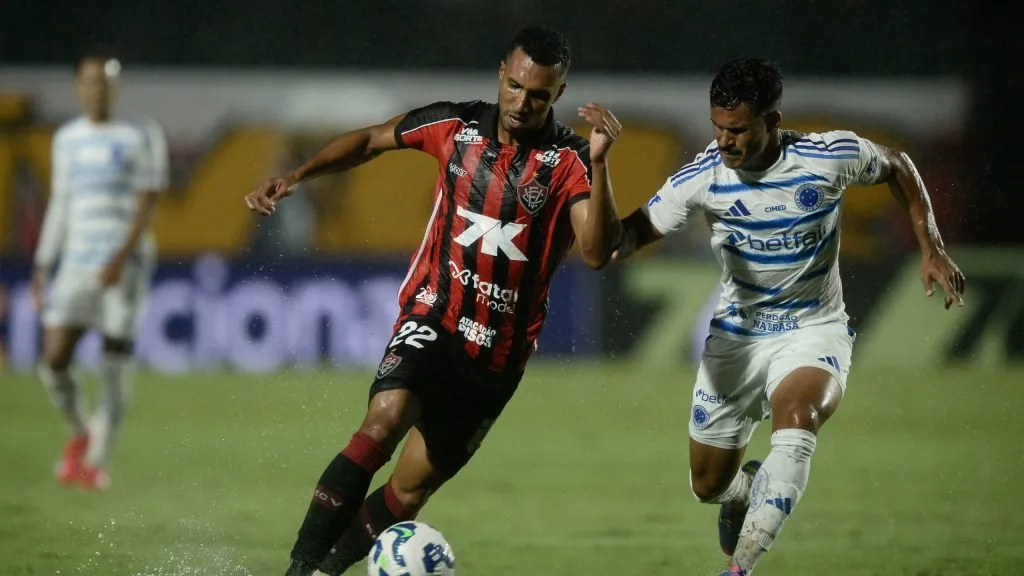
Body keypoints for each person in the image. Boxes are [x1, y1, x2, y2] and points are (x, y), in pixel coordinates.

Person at [243, 26, 624, 576]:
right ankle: (299, 570)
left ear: (558, 94)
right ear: (501, 74)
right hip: (435, 314)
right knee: (384, 419)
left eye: (538, 94)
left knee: (409, 490)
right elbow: (372, 139)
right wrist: (298, 175)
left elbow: (595, 252)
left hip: (496, 359)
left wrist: (604, 161)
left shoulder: (570, 162)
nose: (522, 102)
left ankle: (326, 571)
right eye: (515, 86)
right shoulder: (456, 125)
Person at [613, 58, 965, 575]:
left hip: (812, 329)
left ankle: (739, 569)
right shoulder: (702, 176)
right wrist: (590, 194)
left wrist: (930, 246)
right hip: (736, 340)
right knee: (707, 485)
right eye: (718, 127)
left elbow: (898, 165)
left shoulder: (828, 157)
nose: (725, 141)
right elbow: (625, 238)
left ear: (772, 121)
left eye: (738, 129)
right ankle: (747, 490)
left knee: (797, 427)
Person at [32, 54, 169, 491]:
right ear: (78, 86)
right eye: (90, 82)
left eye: (106, 83)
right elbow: (60, 204)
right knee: (53, 359)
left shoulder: (137, 135)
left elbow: (147, 203)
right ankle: (81, 429)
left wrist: (120, 257)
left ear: (116, 87)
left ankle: (97, 460)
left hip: (124, 264)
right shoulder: (67, 139)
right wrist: (41, 264)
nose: (98, 90)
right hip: (75, 262)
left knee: (113, 358)